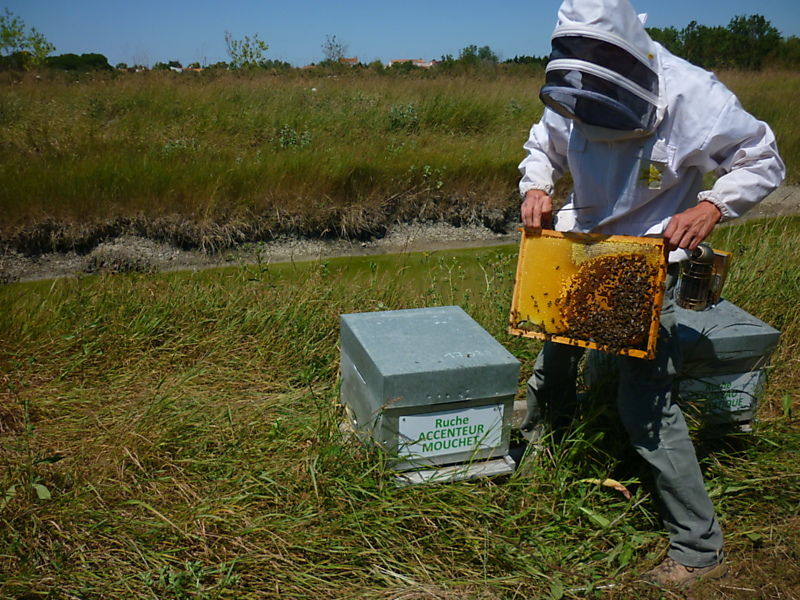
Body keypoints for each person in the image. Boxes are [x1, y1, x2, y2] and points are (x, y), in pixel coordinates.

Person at [518, 0, 785, 590]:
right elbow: (544, 146)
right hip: (578, 246)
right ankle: (540, 455)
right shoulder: (576, 85)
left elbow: (763, 158)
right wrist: (537, 185)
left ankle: (698, 549)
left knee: (647, 407)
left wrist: (713, 204)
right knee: (552, 359)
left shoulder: (695, 95)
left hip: (648, 259)